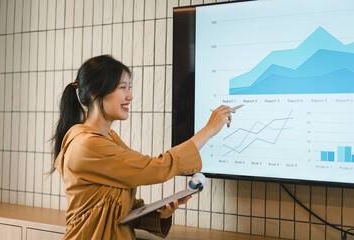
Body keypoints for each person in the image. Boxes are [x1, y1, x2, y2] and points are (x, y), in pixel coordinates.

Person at [51, 55, 236, 239]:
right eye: (122, 87)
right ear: (95, 93)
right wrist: (209, 130)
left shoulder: (108, 138)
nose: (129, 96)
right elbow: (154, 168)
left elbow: (118, 208)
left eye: (129, 87)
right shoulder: (87, 144)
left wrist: (159, 213)